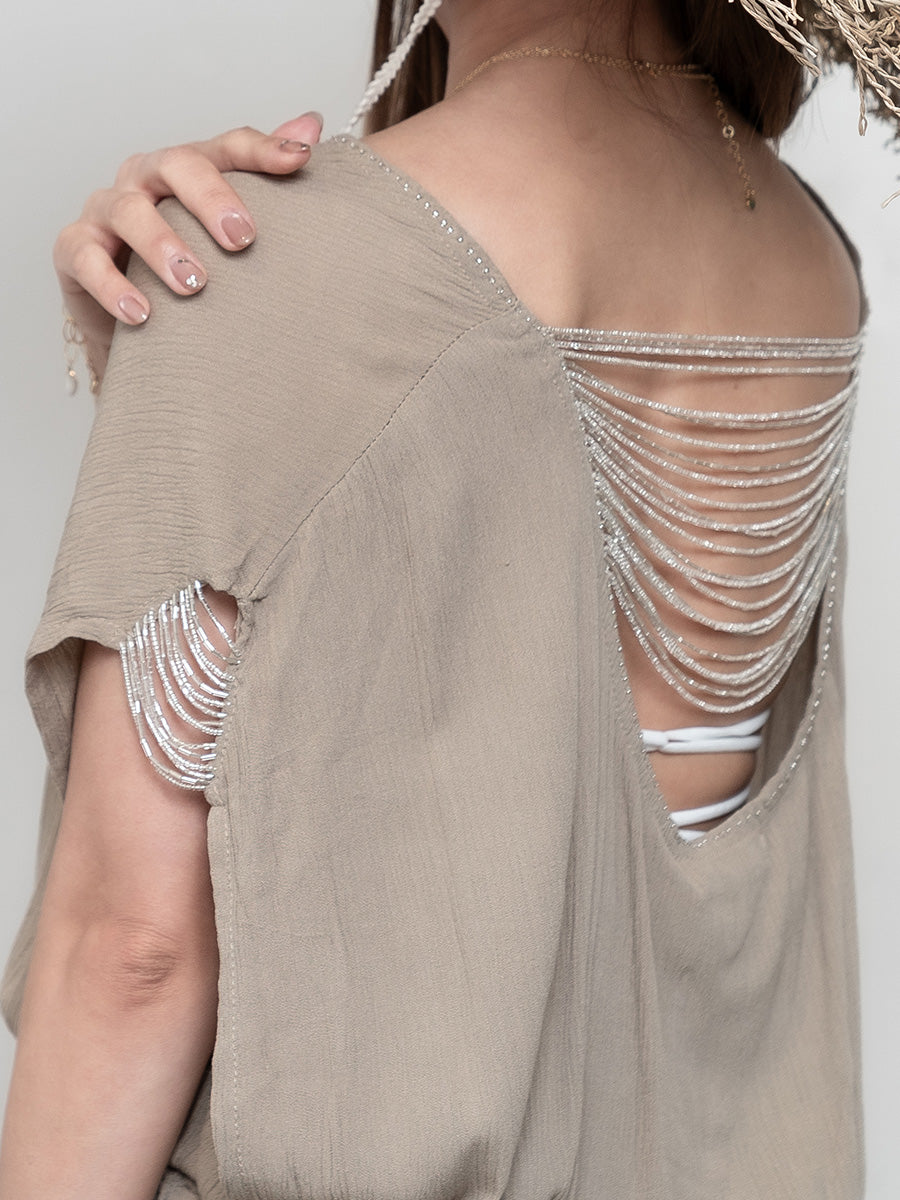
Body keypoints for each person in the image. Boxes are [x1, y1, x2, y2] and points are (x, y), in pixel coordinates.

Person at [0, 0, 896, 1196]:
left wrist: (208, 342)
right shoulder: (808, 253)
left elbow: (134, 954)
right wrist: (176, 370)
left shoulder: (273, 264)